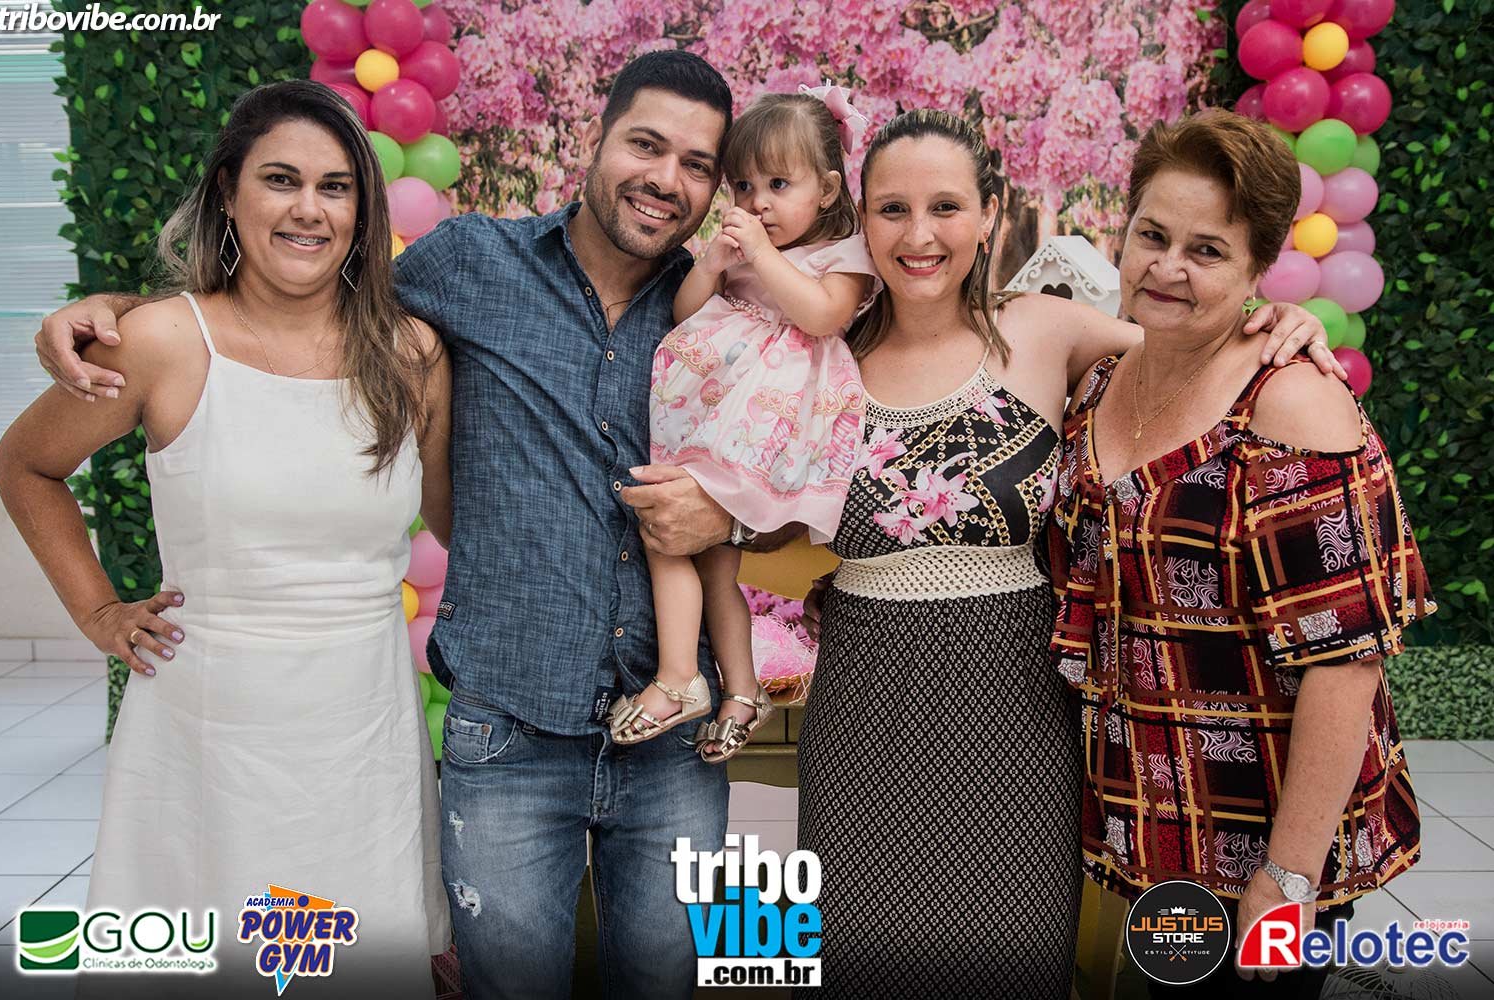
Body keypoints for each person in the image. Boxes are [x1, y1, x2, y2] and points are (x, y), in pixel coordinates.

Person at [34, 51, 746, 1000]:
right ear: (597, 138)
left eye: (696, 163)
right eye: (645, 145)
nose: (665, 178)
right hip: (507, 733)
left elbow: (808, 459)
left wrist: (732, 511)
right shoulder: (471, 264)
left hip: (664, 733)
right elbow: (289, 298)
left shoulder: (733, 311)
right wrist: (119, 315)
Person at [796, 109, 1341, 999]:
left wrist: (1281, 321)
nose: (919, 234)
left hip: (1016, 709)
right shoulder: (813, 355)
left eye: (946, 206)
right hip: (865, 701)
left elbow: (1201, 353)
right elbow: (749, 506)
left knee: (1012, 955)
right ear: (863, 219)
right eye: (892, 209)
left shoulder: (1045, 330)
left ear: (989, 213)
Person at [0, 81, 452, 997]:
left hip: (361, 727)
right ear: (228, 196)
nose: (308, 208)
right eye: (280, 180)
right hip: (208, 730)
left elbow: (456, 521)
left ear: (362, 212)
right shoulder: (161, 340)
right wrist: (97, 613)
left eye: (335, 187)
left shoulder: (411, 354)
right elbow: (25, 465)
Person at [1046, 111, 1434, 997]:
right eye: (1153, 236)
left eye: (1208, 251)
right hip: (1155, 820)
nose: (1167, 268)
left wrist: (1287, 881)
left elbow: (1348, 663)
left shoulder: (1292, 409)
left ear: (1260, 267)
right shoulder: (1102, 382)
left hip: (1265, 840)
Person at [613, 87, 879, 763]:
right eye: (743, 186)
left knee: (675, 538)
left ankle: (679, 678)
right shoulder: (741, 249)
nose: (757, 202)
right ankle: (736, 690)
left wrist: (760, 256)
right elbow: (684, 311)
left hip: (770, 424)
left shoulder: (843, 254)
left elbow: (821, 315)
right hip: (709, 412)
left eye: (778, 185)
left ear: (826, 190)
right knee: (691, 552)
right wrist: (712, 264)